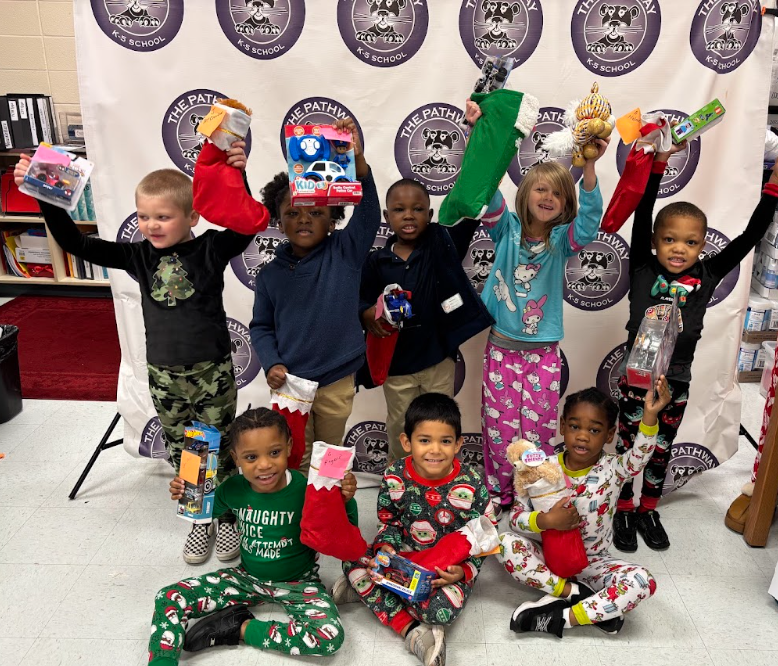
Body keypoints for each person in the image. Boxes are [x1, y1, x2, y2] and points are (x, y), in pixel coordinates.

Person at [13, 144, 261, 564]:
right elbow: (75, 242)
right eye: (144, 216)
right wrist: (44, 193)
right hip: (164, 375)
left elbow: (246, 225)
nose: (150, 225)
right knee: (186, 451)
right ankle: (200, 519)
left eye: (162, 217)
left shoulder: (210, 249)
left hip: (212, 371)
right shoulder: (137, 255)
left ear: (192, 216)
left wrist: (238, 175)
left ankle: (227, 518)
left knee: (218, 448)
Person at [612, 152, 778, 552]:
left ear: (702, 246)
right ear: (654, 241)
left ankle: (648, 509)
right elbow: (643, 212)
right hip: (636, 380)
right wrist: (657, 165)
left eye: (690, 242)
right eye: (669, 239)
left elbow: (751, 236)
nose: (678, 249)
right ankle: (622, 507)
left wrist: (773, 187)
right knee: (628, 445)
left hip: (676, 382)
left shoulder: (707, 274)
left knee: (660, 448)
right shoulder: (642, 266)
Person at [462, 101, 609, 515]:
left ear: (565, 204)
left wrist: (589, 166)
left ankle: (533, 497)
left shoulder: (561, 242)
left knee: (537, 434)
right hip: (501, 351)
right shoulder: (505, 228)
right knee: (498, 431)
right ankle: (499, 494)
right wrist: (476, 135)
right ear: (525, 194)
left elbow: (589, 222)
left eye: (558, 193)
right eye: (541, 189)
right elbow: (485, 187)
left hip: (543, 355)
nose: (548, 197)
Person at [150, 407, 358, 665]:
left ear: (289, 447)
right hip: (246, 579)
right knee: (168, 598)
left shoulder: (305, 490)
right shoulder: (233, 488)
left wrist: (344, 500)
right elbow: (203, 512)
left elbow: (347, 531)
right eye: (251, 457)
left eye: (274, 452)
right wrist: (187, 494)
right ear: (235, 458)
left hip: (299, 583)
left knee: (330, 638)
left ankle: (240, 627)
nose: (264, 465)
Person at [248, 118, 381, 472]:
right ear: (279, 222)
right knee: (295, 456)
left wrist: (359, 164)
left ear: (333, 218)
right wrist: (271, 362)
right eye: (293, 213)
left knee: (330, 456)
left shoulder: (345, 251)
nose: (304, 219)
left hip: (338, 377)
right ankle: (298, 505)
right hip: (290, 383)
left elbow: (369, 215)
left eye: (316, 212)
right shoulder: (270, 276)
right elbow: (261, 327)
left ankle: (331, 502)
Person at [331, 393, 495, 666]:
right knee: (354, 561)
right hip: (403, 558)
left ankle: (370, 593)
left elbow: (486, 537)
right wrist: (386, 547)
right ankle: (411, 630)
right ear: (407, 442)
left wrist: (464, 571)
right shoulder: (394, 476)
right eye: (424, 440)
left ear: (458, 444)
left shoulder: (473, 482)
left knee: (440, 612)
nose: (435, 450)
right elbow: (390, 522)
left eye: (445, 441)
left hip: (445, 572)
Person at [497, 382, 671, 638]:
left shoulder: (615, 468)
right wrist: (546, 521)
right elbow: (515, 519)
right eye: (575, 426)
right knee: (504, 544)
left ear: (609, 435)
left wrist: (650, 415)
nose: (582, 436)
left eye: (594, 430)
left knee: (642, 581)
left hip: (593, 563)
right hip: (549, 558)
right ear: (562, 426)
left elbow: (640, 455)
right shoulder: (540, 468)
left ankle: (563, 618)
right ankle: (573, 594)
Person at [359, 178, 493, 463]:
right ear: (387, 217)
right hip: (396, 363)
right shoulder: (376, 261)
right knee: (400, 424)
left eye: (418, 209)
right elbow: (361, 302)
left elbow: (466, 217)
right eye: (399, 210)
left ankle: (441, 476)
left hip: (437, 358)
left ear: (430, 215)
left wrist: (481, 164)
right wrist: (368, 314)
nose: (409, 215)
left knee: (440, 423)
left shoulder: (441, 247)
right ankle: (399, 477)